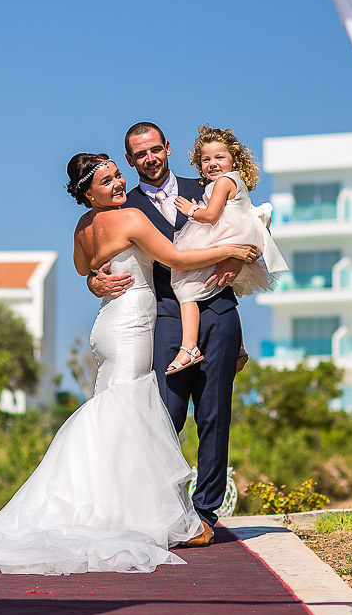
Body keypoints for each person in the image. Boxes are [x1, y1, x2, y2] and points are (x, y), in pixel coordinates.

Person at [0, 152, 259, 574]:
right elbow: (176, 261)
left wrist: (96, 280)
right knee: (129, 411)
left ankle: (123, 506)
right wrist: (232, 247)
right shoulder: (129, 220)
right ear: (89, 192)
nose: (119, 184)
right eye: (107, 182)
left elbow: (83, 267)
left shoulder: (83, 227)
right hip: (132, 324)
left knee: (116, 410)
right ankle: (132, 514)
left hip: (107, 324)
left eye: (117, 176)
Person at [88, 122, 244, 544]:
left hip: (218, 309)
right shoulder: (124, 206)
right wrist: (95, 283)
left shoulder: (209, 183)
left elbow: (251, 229)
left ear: (168, 148)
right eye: (140, 155)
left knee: (215, 415)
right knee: (165, 416)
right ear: (130, 159)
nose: (150, 159)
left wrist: (241, 263)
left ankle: (205, 512)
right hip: (163, 318)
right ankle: (162, 509)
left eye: (155, 150)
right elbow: (99, 260)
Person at [166, 126, 287, 375]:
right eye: (205, 159)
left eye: (219, 157)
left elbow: (210, 216)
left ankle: (189, 347)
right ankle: (239, 347)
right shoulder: (230, 182)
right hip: (235, 234)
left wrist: (190, 210)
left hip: (226, 235)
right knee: (224, 287)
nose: (212, 163)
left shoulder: (223, 182)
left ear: (234, 158)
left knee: (184, 286)